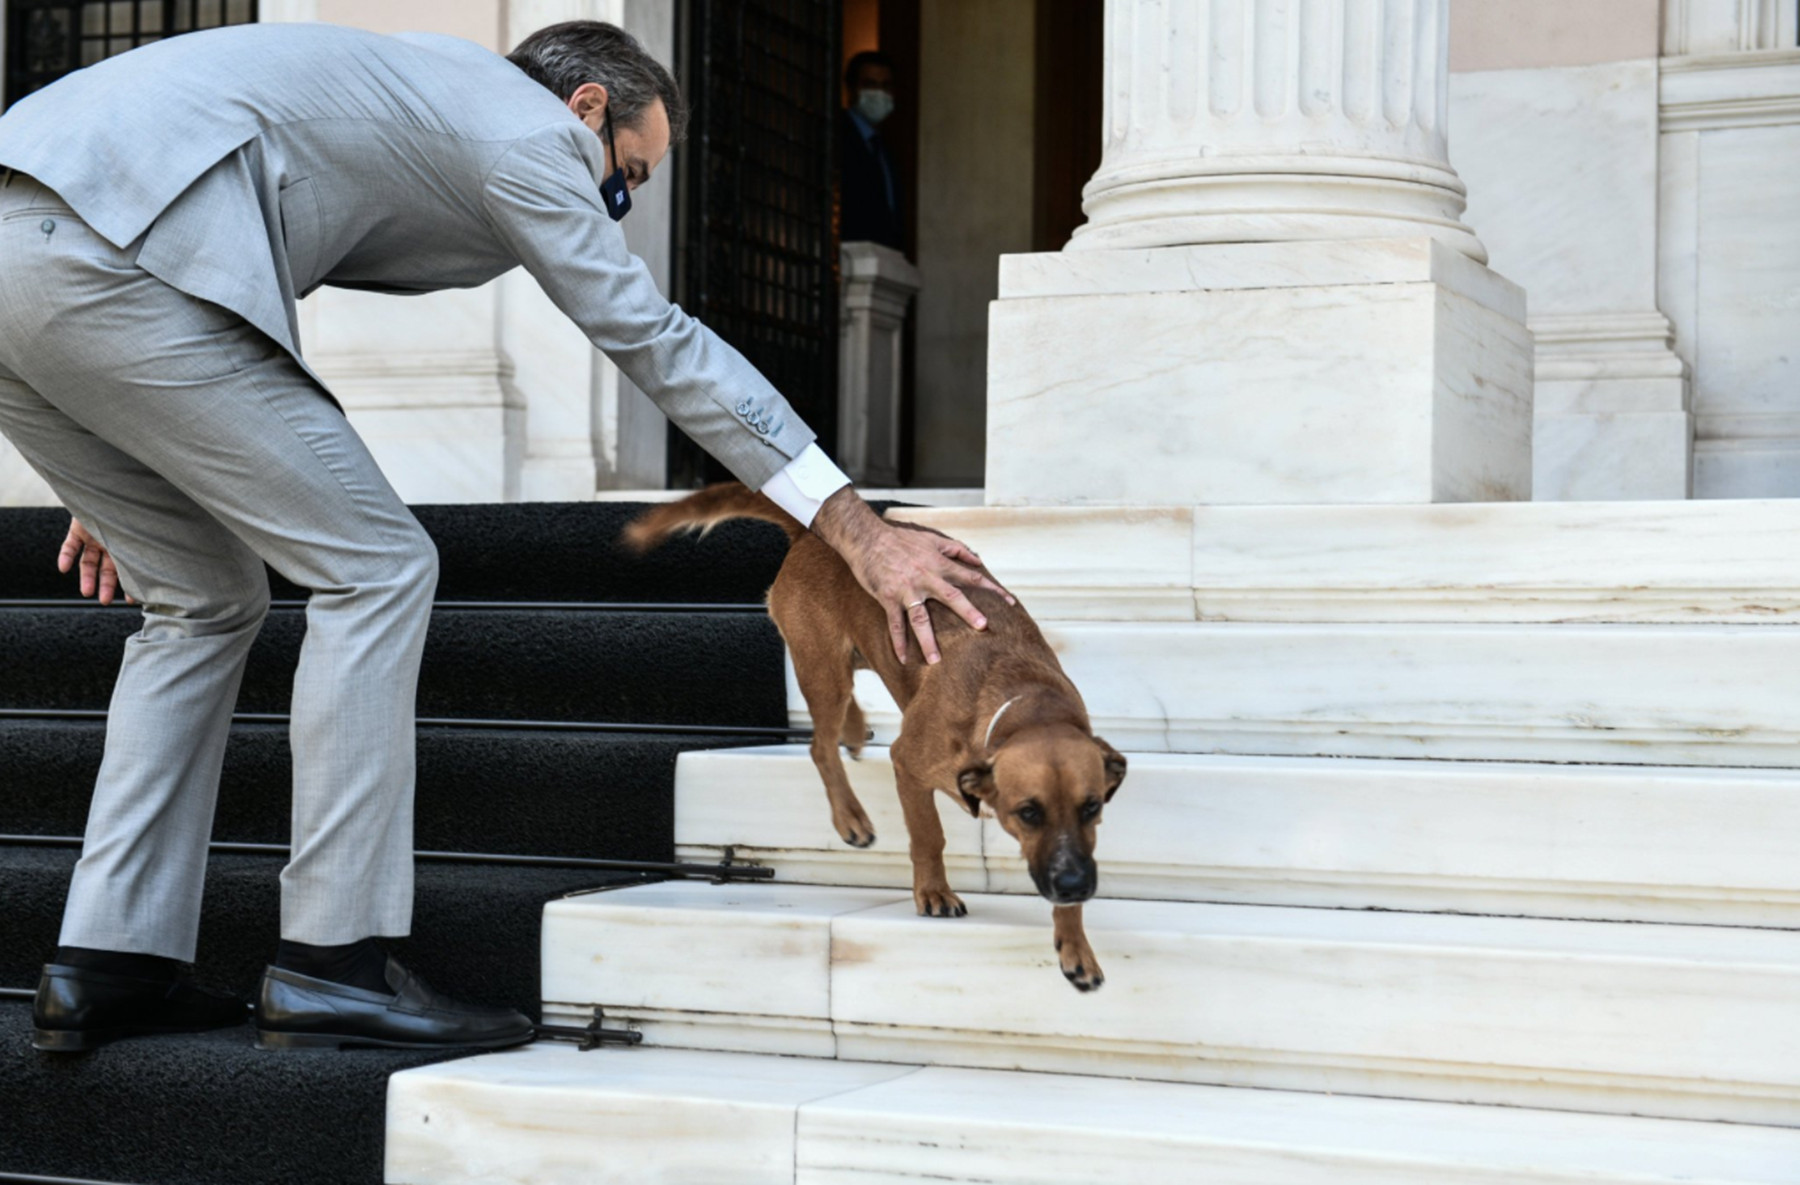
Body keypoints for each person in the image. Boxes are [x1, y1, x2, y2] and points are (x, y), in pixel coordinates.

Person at [0, 20, 1006, 1054]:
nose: (612, 210)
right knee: (379, 569)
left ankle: (107, 963)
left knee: (202, 600)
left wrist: (139, 436)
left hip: (35, 252)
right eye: (626, 181)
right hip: (121, 265)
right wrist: (853, 526)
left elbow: (221, 226)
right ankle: (328, 965)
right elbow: (651, 337)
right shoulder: (527, 136)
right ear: (584, 110)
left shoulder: (422, 98)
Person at [839, 49, 906, 252]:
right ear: (851, 89)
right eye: (870, 85)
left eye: (885, 86)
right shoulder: (836, 137)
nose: (878, 93)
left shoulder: (886, 151)